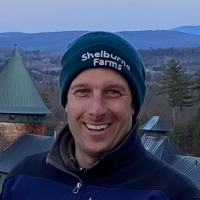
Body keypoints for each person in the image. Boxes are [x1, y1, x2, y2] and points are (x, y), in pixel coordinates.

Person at [1, 31, 200, 200]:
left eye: (113, 92)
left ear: (133, 105)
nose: (96, 110)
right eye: (82, 91)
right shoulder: (23, 180)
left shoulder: (172, 194)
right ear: (67, 102)